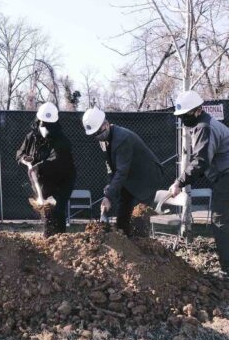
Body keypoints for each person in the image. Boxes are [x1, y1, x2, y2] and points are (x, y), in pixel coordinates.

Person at [169, 90, 229, 276]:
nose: (182, 119)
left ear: (197, 110)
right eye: (180, 116)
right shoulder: (204, 124)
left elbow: (200, 161)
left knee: (220, 222)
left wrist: (179, 182)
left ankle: (227, 270)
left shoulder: (204, 126)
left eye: (185, 115)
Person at [82, 107, 163, 237]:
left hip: (146, 178)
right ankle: (124, 243)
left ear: (106, 124)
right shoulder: (103, 140)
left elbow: (121, 171)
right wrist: (110, 185)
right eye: (94, 135)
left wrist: (108, 197)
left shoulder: (122, 138)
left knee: (137, 217)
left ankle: (141, 249)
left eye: (98, 132)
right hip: (129, 177)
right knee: (123, 214)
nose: (97, 136)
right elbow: (110, 166)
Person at [16, 102, 76, 238]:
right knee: (46, 212)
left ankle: (58, 239)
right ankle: (48, 238)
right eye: (43, 123)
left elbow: (59, 161)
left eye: (48, 125)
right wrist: (24, 158)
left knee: (56, 210)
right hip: (41, 181)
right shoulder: (31, 137)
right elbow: (19, 152)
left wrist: (39, 166)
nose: (44, 127)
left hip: (61, 182)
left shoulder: (62, 140)